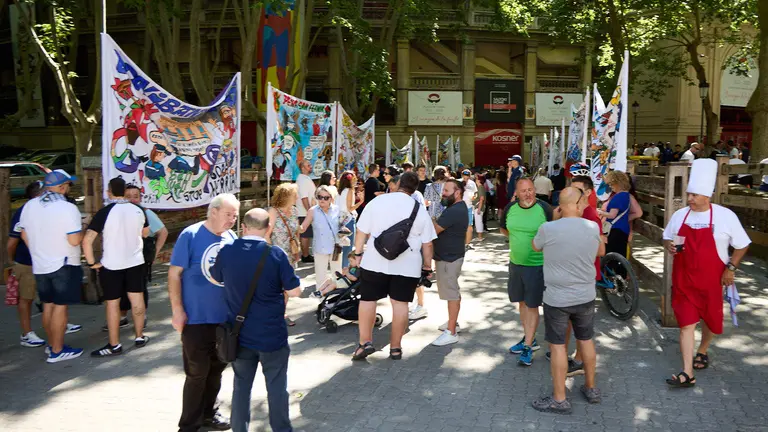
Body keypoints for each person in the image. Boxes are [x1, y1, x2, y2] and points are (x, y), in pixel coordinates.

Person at [210, 209, 301, 432]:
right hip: (271, 335)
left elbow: (214, 277)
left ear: (243, 227)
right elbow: (296, 290)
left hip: (238, 334)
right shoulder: (275, 254)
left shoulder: (228, 251)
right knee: (277, 386)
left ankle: (239, 428)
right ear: (268, 228)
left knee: (241, 386)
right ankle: (281, 429)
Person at [662, 159, 751, 387]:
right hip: (684, 278)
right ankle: (687, 371)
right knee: (686, 323)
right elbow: (668, 238)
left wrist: (731, 268)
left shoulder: (725, 216)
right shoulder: (680, 215)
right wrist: (670, 246)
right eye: (689, 194)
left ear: (707, 196)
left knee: (710, 319)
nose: (690, 199)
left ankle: (702, 349)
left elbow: (742, 244)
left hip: (713, 279)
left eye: (695, 195)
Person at [169, 193, 239, 432]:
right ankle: (189, 424)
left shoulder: (231, 237)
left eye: (235, 215)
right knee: (197, 373)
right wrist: (177, 310)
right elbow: (174, 274)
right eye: (229, 214)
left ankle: (209, 414)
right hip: (196, 318)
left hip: (224, 320)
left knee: (217, 370)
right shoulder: (190, 235)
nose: (232, 219)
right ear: (214, 211)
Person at [531, 187, 603, 414]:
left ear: (560, 207)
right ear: (576, 203)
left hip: (557, 297)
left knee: (558, 345)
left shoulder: (548, 228)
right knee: (586, 340)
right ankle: (591, 388)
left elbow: (535, 246)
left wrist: (555, 219)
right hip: (585, 295)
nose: (585, 205)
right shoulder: (592, 227)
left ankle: (560, 398)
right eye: (582, 201)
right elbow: (601, 251)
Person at [351, 172, 437, 361]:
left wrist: (357, 254)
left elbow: (361, 231)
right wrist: (427, 266)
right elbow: (428, 243)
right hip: (407, 265)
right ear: (415, 189)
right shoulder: (419, 209)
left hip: (374, 261)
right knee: (400, 304)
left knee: (368, 300)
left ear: (397, 184)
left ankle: (364, 343)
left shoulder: (377, 202)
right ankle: (396, 347)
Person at [18, 170, 85, 362]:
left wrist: (38, 251)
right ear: (62, 187)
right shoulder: (66, 208)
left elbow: (24, 234)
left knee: (48, 305)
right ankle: (57, 349)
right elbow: (73, 240)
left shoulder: (30, 206)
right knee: (60, 307)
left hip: (40, 263)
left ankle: (52, 345)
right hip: (63, 263)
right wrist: (83, 232)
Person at [83, 177, 150, 357]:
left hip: (112, 264)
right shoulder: (138, 210)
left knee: (112, 304)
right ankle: (139, 336)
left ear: (109, 192)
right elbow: (145, 233)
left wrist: (91, 263)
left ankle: (114, 344)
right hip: (135, 261)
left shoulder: (105, 212)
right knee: (137, 299)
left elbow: (87, 241)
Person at [500, 177, 553, 366]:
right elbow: (504, 229)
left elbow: (553, 232)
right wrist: (518, 239)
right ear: (517, 192)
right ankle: (529, 338)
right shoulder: (510, 209)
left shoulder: (545, 209)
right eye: (524, 191)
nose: (528, 194)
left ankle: (528, 346)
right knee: (521, 303)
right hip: (515, 264)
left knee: (532, 306)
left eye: (531, 189)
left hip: (537, 266)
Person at [103, 185, 168, 331]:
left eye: (136, 196)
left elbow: (163, 232)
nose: (132, 199)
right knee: (120, 288)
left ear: (140, 198)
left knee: (139, 288)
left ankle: (141, 316)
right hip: (120, 255)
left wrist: (154, 253)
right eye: (129, 196)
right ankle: (121, 317)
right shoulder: (115, 212)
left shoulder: (146, 213)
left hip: (140, 256)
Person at [430, 179, 469, 346]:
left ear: (457, 192)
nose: (443, 194)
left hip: (449, 258)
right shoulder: (456, 208)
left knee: (451, 294)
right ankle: (453, 323)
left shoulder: (454, 210)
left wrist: (430, 218)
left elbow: (434, 230)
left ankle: (451, 331)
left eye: (446, 190)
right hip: (449, 256)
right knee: (451, 292)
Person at [266, 183, 301, 327]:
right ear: (286, 196)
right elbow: (267, 235)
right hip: (276, 255)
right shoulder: (273, 212)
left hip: (290, 255)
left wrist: (297, 250)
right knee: (275, 288)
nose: (297, 197)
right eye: (295, 195)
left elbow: (297, 231)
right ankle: (272, 315)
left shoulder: (294, 211)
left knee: (287, 287)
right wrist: (270, 254)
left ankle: (282, 313)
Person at [300, 185, 343, 291]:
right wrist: (295, 228)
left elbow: (341, 225)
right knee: (320, 276)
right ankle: (321, 298)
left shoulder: (337, 210)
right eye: (320, 197)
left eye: (326, 197)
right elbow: (303, 227)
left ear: (331, 198)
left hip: (335, 247)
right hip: (320, 247)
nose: (322, 200)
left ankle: (337, 296)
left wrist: (345, 232)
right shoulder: (312, 211)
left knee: (337, 274)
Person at [597, 171, 632, 260]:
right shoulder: (626, 195)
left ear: (618, 183)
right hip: (622, 230)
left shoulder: (619, 196)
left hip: (616, 230)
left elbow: (612, 215)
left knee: (613, 257)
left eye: (611, 184)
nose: (610, 186)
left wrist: (599, 212)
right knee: (620, 256)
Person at [337, 171, 363, 268]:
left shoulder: (340, 190)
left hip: (340, 220)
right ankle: (345, 268)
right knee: (348, 247)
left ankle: (339, 268)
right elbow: (350, 208)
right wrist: (361, 201)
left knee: (341, 246)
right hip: (348, 219)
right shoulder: (350, 190)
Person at [295, 160, 316, 264]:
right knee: (305, 235)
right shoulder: (302, 180)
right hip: (304, 212)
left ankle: (306, 254)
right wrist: (309, 212)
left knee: (306, 235)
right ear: (302, 168)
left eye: (310, 165)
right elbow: (304, 198)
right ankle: (305, 255)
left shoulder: (305, 179)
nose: (310, 166)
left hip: (305, 212)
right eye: (308, 165)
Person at [461, 169, 478, 248]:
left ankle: (467, 243)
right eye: (464, 176)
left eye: (467, 176)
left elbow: (476, 193)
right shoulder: (459, 182)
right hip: (460, 207)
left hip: (469, 206)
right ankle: (460, 243)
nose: (466, 178)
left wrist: (474, 197)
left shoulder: (472, 183)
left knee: (469, 226)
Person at [472, 175, 486, 241]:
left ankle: (480, 237)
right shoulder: (479, 187)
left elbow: (481, 198)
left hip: (478, 206)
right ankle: (479, 236)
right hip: (478, 206)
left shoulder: (480, 187)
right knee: (478, 221)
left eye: (477, 179)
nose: (475, 180)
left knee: (478, 221)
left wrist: (479, 208)